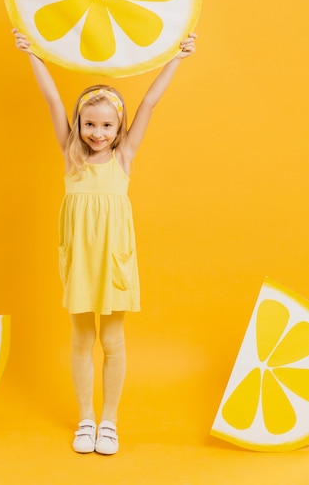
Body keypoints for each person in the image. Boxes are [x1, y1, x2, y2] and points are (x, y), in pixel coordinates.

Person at [12, 28, 197, 454]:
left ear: (119, 127)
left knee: (112, 341)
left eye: (107, 125)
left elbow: (150, 101)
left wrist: (178, 57)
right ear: (79, 124)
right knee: (80, 340)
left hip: (114, 260)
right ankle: (86, 419)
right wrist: (32, 54)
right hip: (79, 260)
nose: (97, 132)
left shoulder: (124, 156)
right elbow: (53, 100)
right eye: (90, 124)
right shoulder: (69, 153)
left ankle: (109, 421)